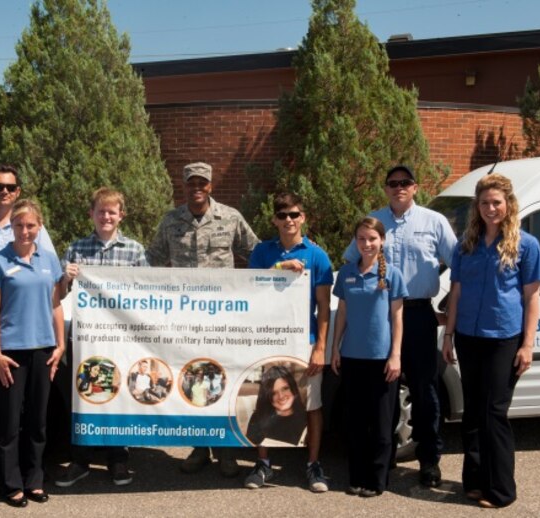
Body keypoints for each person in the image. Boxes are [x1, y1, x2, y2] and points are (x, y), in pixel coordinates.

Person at [343, 164, 457, 487]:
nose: (399, 187)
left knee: (425, 391)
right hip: (380, 316)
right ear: (386, 188)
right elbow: (351, 260)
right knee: (383, 392)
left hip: (419, 314)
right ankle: (384, 457)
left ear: (416, 187)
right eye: (392, 183)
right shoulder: (375, 221)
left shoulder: (433, 222)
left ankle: (429, 460)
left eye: (405, 182)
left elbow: (459, 264)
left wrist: (448, 309)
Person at [146, 161, 259, 477]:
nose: (197, 188)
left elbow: (257, 254)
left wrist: (284, 270)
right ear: (184, 187)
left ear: (210, 185)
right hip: (184, 319)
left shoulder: (230, 218)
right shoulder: (171, 221)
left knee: (223, 380)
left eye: (202, 183)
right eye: (191, 183)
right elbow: (150, 261)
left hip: (222, 317)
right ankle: (199, 448)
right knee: (193, 381)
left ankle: (227, 451)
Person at [442, 174, 540, 509]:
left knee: (493, 412)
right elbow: (455, 292)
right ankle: (474, 481)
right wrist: (449, 335)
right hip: (468, 338)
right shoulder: (465, 245)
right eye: (484, 202)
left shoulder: (526, 245)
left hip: (504, 338)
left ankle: (500, 490)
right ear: (477, 206)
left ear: (508, 204)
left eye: (496, 202)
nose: (490, 208)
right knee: (472, 412)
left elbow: (532, 298)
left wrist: (527, 345)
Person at [55, 187, 147, 488]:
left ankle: (118, 459)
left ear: (121, 215)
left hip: (121, 338)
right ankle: (80, 460)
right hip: (85, 338)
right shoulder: (77, 249)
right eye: (100, 211)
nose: (106, 216)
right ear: (91, 214)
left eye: (112, 211)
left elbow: (147, 293)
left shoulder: (134, 251)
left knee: (118, 395)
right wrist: (65, 276)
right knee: (85, 395)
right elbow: (58, 294)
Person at [244, 192, 332, 492]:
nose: (289, 220)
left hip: (303, 341)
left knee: (312, 404)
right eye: (282, 216)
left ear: (303, 217)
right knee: (266, 401)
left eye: (294, 214)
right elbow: (250, 291)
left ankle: (313, 464)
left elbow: (323, 306)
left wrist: (320, 347)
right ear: (274, 220)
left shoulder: (317, 255)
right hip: (268, 339)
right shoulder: (262, 252)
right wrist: (279, 269)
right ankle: (264, 463)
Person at [0, 200, 64, 508]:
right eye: (19, 225)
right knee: (8, 422)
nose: (25, 231)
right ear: (11, 228)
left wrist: (60, 344)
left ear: (39, 227)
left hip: (43, 350)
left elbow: (55, 305)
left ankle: (34, 480)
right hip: (11, 353)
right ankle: (9, 483)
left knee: (38, 421)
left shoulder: (49, 260)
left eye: (31, 226)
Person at [332, 217, 408, 498]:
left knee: (380, 422)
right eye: (361, 239)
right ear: (356, 241)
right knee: (355, 421)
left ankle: (377, 479)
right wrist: (335, 348)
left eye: (372, 238)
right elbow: (342, 313)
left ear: (382, 241)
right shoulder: (346, 274)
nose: (367, 244)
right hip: (352, 356)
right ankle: (357, 476)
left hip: (382, 359)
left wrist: (396, 355)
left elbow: (397, 317)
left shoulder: (392, 275)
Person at [0, 164, 57, 254]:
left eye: (11, 188)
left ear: (17, 192)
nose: (5, 191)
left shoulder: (32, 225)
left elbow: (50, 261)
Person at [245, 365, 307, 447]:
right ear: (267, 396)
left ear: (293, 388)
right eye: (274, 393)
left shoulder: (308, 418)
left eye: (285, 388)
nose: (281, 396)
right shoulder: (257, 418)